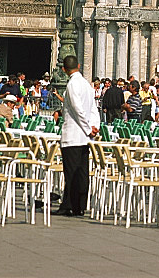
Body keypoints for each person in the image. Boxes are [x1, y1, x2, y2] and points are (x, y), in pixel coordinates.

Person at [56, 55, 99, 218]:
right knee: (81, 172)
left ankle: (70, 205)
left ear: (63, 69)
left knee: (72, 172)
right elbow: (93, 109)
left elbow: (77, 110)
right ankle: (79, 205)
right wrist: (95, 126)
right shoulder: (87, 85)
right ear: (79, 66)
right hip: (85, 137)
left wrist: (89, 129)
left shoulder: (72, 84)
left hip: (73, 136)